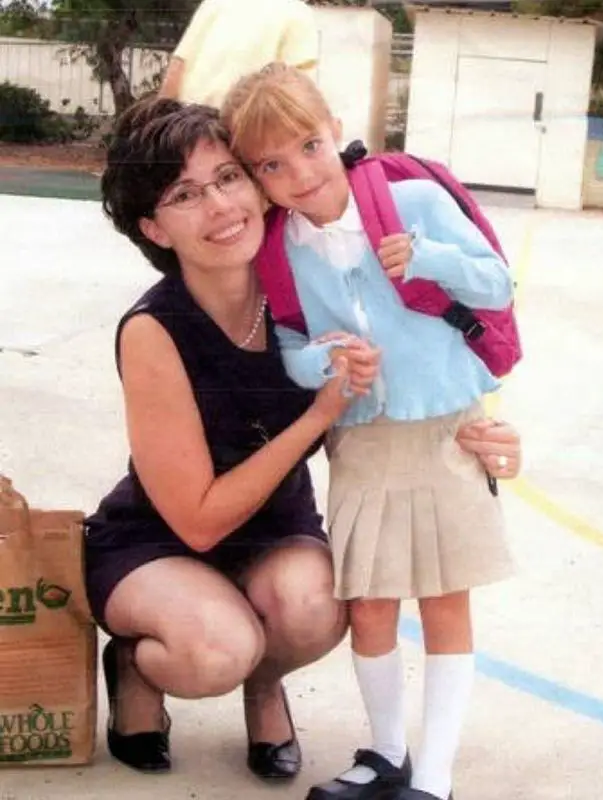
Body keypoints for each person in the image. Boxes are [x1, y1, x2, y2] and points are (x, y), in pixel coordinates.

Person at [221, 63, 520, 800]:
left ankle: (437, 777)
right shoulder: (280, 249)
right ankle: (388, 753)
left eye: (308, 147)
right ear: (257, 176)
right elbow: (291, 350)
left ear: (335, 130)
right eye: (272, 165)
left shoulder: (409, 200)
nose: (299, 174)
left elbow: (497, 282)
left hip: (445, 434)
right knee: (371, 605)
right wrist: (327, 362)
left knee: (447, 600)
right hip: (358, 444)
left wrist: (428, 257)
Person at [83, 95, 376, 778]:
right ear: (154, 228)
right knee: (215, 649)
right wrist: (315, 415)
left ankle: (265, 683)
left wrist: (474, 427)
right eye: (185, 194)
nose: (219, 207)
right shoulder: (153, 329)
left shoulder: (306, 289)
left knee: (317, 609)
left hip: (273, 530)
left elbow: (410, 360)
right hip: (158, 541)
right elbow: (199, 520)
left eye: (228, 178)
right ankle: (135, 661)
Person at [159, 0, 319, 109]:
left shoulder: (214, 3)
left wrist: (157, 124)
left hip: (184, 125)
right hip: (238, 136)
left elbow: (178, 65)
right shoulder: (298, 13)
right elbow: (297, 95)